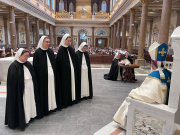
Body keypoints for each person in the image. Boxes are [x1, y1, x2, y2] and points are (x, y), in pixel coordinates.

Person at [113, 42, 171, 129]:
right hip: (165, 104)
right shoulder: (169, 73)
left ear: (152, 63)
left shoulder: (154, 76)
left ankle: (124, 123)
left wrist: (134, 92)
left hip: (155, 106)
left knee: (129, 100)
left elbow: (149, 96)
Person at [5, 48, 41, 130]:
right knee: (24, 104)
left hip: (30, 89)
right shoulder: (14, 66)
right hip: (22, 91)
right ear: (19, 55)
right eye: (25, 56)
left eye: (28, 56)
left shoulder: (27, 64)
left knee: (30, 102)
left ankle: (30, 115)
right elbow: (13, 83)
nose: (26, 58)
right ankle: (23, 118)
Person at [33, 36, 61, 118]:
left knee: (52, 90)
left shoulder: (50, 51)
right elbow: (36, 67)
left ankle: (52, 106)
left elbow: (54, 64)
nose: (48, 43)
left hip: (52, 76)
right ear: (42, 42)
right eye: (46, 42)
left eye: (49, 42)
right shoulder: (37, 52)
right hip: (43, 78)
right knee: (45, 92)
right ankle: (46, 108)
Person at [56, 34, 78, 108]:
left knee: (72, 84)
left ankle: (73, 98)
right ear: (64, 40)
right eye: (68, 41)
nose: (69, 42)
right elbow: (59, 62)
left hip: (72, 71)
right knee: (66, 85)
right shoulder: (61, 49)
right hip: (65, 72)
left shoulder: (71, 49)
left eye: (70, 41)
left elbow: (74, 59)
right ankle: (67, 100)